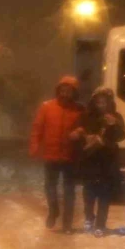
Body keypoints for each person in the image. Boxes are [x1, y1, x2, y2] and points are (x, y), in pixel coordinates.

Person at [29, 76, 84, 232]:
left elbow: (87, 125)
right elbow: (37, 128)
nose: (65, 93)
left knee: (69, 191)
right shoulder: (47, 107)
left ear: (74, 93)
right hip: (51, 154)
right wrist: (34, 147)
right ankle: (53, 211)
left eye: (69, 91)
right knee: (50, 187)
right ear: (58, 90)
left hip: (70, 155)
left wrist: (80, 131)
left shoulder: (79, 109)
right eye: (62, 90)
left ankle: (67, 224)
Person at [72, 87, 125, 237]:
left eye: (104, 102)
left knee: (104, 193)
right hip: (90, 158)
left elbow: (121, 136)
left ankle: (100, 224)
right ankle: (89, 218)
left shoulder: (116, 116)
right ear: (93, 102)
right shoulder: (86, 116)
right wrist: (85, 137)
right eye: (98, 101)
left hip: (107, 159)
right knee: (88, 191)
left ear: (109, 102)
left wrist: (114, 125)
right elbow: (79, 132)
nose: (101, 105)